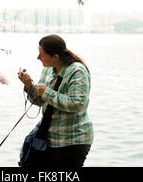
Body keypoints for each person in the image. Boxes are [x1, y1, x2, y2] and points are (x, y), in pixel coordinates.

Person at [18, 34, 94, 167]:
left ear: (55, 57)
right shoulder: (47, 71)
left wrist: (47, 92)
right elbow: (41, 101)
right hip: (50, 138)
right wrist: (29, 86)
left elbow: (77, 104)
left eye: (41, 54)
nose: (38, 58)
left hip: (73, 140)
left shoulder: (77, 70)